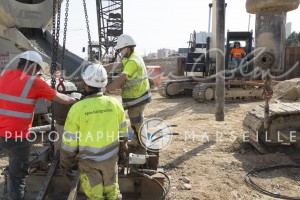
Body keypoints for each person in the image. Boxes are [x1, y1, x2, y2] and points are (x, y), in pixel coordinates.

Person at [0, 51, 77, 200]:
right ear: (33, 67)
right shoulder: (33, 82)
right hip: (17, 138)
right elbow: (61, 98)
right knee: (17, 179)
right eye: (38, 70)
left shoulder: (4, 75)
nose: (37, 73)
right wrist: (76, 100)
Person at [60, 64, 128, 200]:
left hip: (88, 165)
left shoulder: (77, 108)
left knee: (95, 197)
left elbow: (69, 143)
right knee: (113, 194)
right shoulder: (115, 104)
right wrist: (122, 155)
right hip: (110, 161)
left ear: (85, 84)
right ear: (104, 83)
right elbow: (123, 135)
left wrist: (65, 165)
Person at [104, 34, 152, 150]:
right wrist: (102, 67)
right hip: (138, 95)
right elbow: (117, 65)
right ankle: (138, 140)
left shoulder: (132, 62)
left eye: (121, 49)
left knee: (136, 120)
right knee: (135, 119)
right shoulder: (132, 57)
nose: (120, 52)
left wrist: (105, 89)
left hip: (137, 96)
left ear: (127, 48)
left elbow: (121, 79)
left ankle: (143, 144)